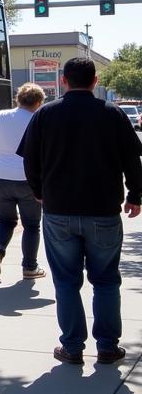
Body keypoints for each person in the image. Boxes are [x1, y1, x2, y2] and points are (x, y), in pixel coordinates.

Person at [18, 57, 142, 365]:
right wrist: (135, 195)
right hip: (103, 211)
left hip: (58, 211)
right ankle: (108, 347)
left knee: (66, 282)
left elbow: (29, 160)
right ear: (95, 81)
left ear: (63, 81)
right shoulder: (113, 115)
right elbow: (133, 161)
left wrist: (39, 192)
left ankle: (72, 347)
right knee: (106, 281)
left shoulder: (45, 114)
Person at [0, 83, 47, 280]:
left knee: (6, 221)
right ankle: (30, 267)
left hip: (0, 176)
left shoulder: (0, 116)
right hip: (28, 179)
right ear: (38, 102)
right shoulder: (39, 119)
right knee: (32, 225)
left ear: (18, 99)